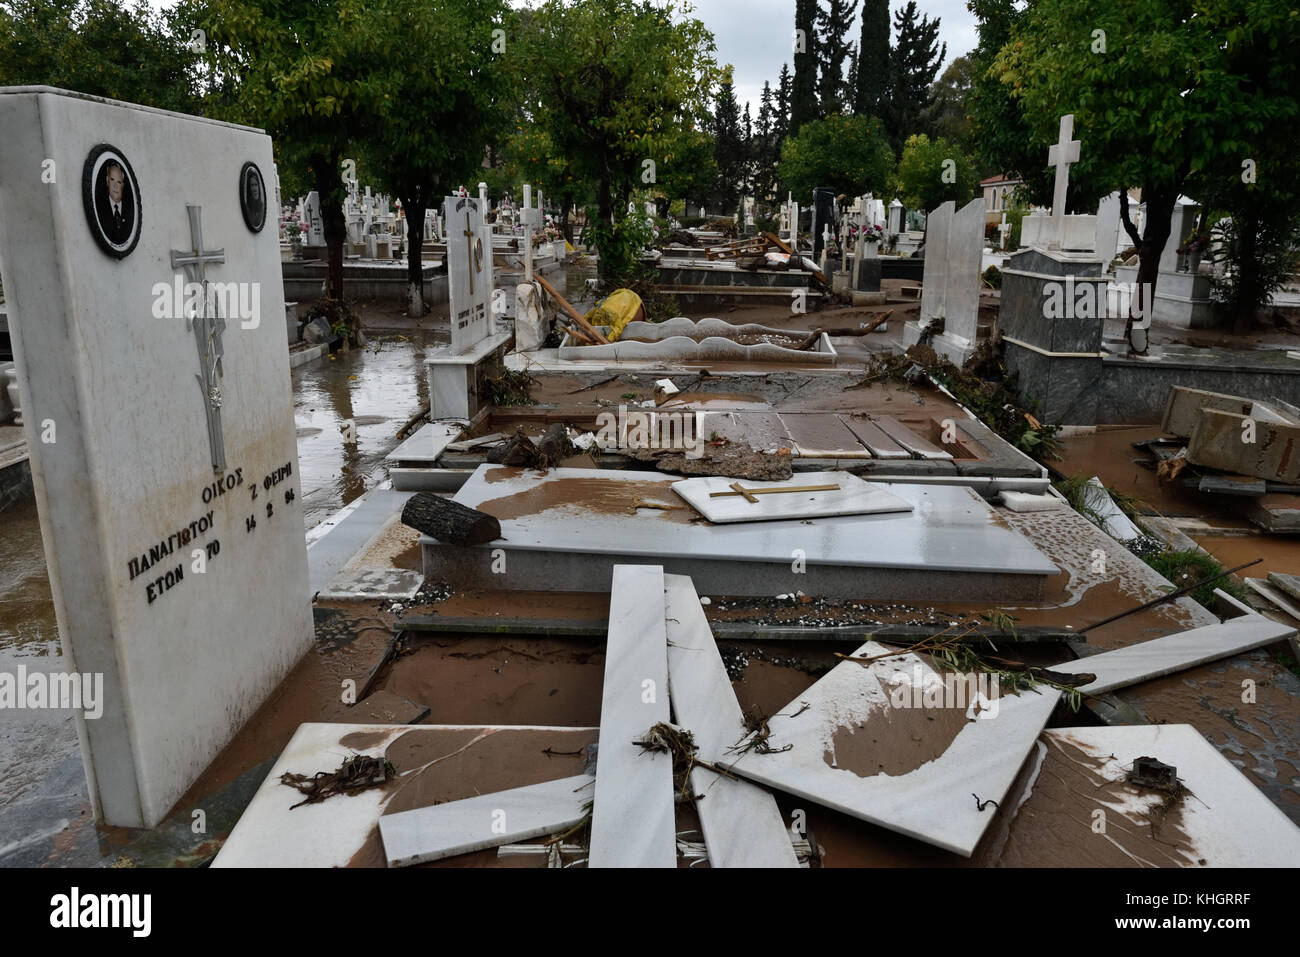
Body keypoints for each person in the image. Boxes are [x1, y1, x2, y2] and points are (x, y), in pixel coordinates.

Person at [95, 160, 133, 246]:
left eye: (119, 182)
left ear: (122, 186)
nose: (115, 185)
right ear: (107, 181)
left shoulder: (130, 211)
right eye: (112, 180)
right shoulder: (100, 208)